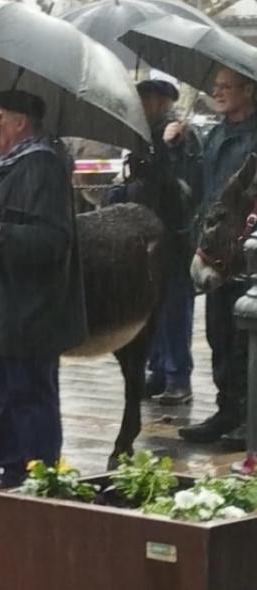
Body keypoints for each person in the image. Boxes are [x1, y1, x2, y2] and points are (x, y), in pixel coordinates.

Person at [0, 90, 87, 497]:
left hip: (30, 310)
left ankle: (36, 473)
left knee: (30, 393)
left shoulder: (41, 167)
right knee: (5, 393)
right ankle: (8, 469)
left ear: (20, 122)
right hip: (3, 307)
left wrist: (2, 233)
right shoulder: (6, 165)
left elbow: (54, 240)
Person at [176, 67, 257, 447]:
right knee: (219, 335)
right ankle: (228, 410)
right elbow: (198, 185)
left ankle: (250, 417)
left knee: (247, 339)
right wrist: (178, 146)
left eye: (226, 87)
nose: (218, 93)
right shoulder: (215, 134)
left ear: (248, 90)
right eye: (216, 87)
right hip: (216, 251)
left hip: (248, 254)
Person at [107, 80, 201, 405]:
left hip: (173, 239)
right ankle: (158, 370)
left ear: (161, 101)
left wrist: (166, 146)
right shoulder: (142, 136)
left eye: (146, 98)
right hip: (145, 237)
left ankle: (177, 377)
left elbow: (179, 188)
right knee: (153, 310)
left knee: (175, 310)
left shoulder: (182, 137)